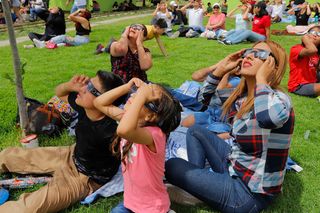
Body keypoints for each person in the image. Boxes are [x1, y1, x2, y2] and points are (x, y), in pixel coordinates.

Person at [165, 40, 295, 212]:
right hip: (234, 167)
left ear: (273, 66)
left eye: (260, 54)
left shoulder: (278, 99)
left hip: (248, 194)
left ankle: (196, 186)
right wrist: (222, 69)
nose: (249, 56)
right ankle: (198, 187)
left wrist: (263, 80)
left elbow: (268, 119)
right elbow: (204, 100)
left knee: (172, 165)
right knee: (196, 131)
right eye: (249, 51)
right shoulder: (242, 98)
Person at [0, 71, 126, 212]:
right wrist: (70, 85)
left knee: (27, 208)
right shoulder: (85, 107)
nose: (83, 88)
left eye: (91, 88)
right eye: (88, 83)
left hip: (84, 179)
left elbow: (136, 130)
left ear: (105, 101)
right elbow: (60, 94)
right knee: (7, 156)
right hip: (71, 154)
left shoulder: (111, 131)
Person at [94, 78, 182, 213]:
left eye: (144, 97)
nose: (134, 95)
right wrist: (127, 87)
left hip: (152, 208)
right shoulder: (130, 120)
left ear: (151, 116)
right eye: (137, 92)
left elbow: (123, 131)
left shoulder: (155, 134)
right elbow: (99, 102)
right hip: (130, 203)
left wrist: (141, 95)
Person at [288, 25, 320, 97]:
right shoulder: (296, 49)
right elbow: (312, 50)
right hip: (299, 86)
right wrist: (304, 38)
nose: (315, 35)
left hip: (312, 81)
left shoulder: (317, 54)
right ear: (307, 34)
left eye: (319, 34)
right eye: (312, 32)